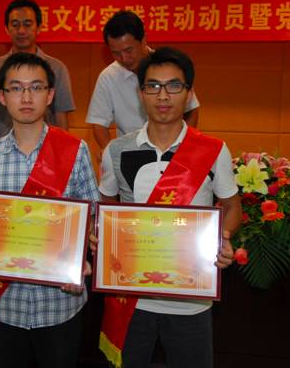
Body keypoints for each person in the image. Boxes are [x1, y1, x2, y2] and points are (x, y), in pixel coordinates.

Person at [95, 47, 241, 368]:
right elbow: (106, 205)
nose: (163, 96)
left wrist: (224, 236)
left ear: (188, 94)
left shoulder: (213, 150)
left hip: (191, 299)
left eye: (174, 86)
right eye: (153, 86)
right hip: (130, 299)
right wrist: (101, 234)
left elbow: (232, 206)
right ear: (141, 93)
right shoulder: (116, 151)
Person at [0, 52, 99, 368]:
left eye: (36, 87)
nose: (26, 97)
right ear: (1, 96)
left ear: (50, 95)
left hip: (60, 304)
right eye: (16, 88)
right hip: (4, 305)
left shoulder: (75, 151)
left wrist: (82, 261)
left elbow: (91, 220)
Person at [86, 10, 200, 153]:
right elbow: (99, 123)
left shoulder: (170, 67)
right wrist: (111, 154)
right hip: (130, 154)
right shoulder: (108, 77)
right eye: (116, 53)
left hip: (172, 150)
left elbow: (191, 110)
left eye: (129, 50)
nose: (124, 58)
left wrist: (184, 148)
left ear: (143, 40)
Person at [0, 0, 75, 148]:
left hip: (44, 152)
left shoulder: (57, 68)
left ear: (38, 27)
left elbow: (61, 116)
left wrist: (61, 153)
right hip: (1, 151)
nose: (21, 30)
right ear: (7, 29)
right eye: (15, 25)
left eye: (27, 24)